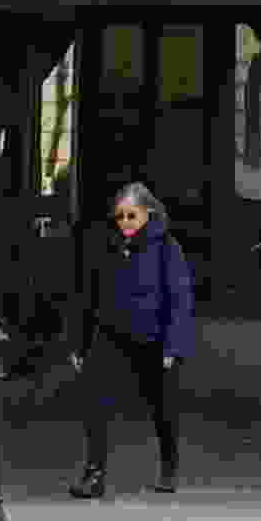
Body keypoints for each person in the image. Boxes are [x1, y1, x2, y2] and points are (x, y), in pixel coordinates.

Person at [72, 182, 193, 500]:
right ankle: (94, 472)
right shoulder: (108, 245)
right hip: (111, 333)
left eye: (131, 216)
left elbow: (178, 298)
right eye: (120, 216)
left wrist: (173, 346)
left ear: (148, 214)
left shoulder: (166, 247)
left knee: (163, 406)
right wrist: (81, 343)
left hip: (152, 337)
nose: (125, 222)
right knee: (94, 398)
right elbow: (90, 294)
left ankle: (169, 466)